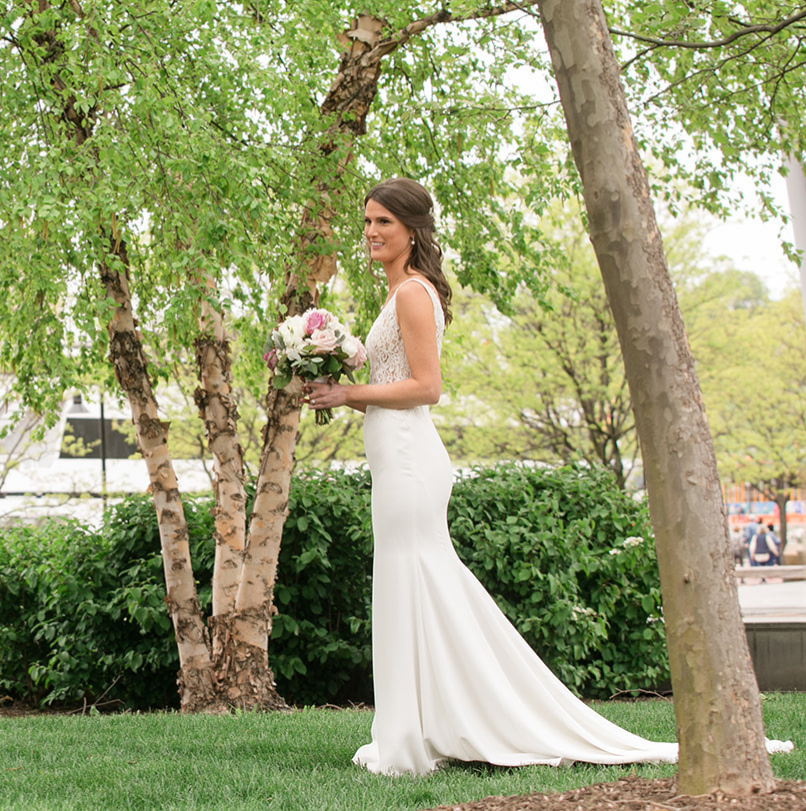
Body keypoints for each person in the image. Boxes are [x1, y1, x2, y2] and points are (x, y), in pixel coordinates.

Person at [303, 178, 794, 775]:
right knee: (416, 584)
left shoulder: (411, 293)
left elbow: (427, 388)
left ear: (413, 229)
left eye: (384, 221)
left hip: (409, 459)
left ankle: (418, 735)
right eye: (368, 221)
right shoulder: (402, 291)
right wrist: (339, 394)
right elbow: (392, 388)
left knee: (413, 578)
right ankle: (430, 724)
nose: (372, 232)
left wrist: (350, 389)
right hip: (394, 452)